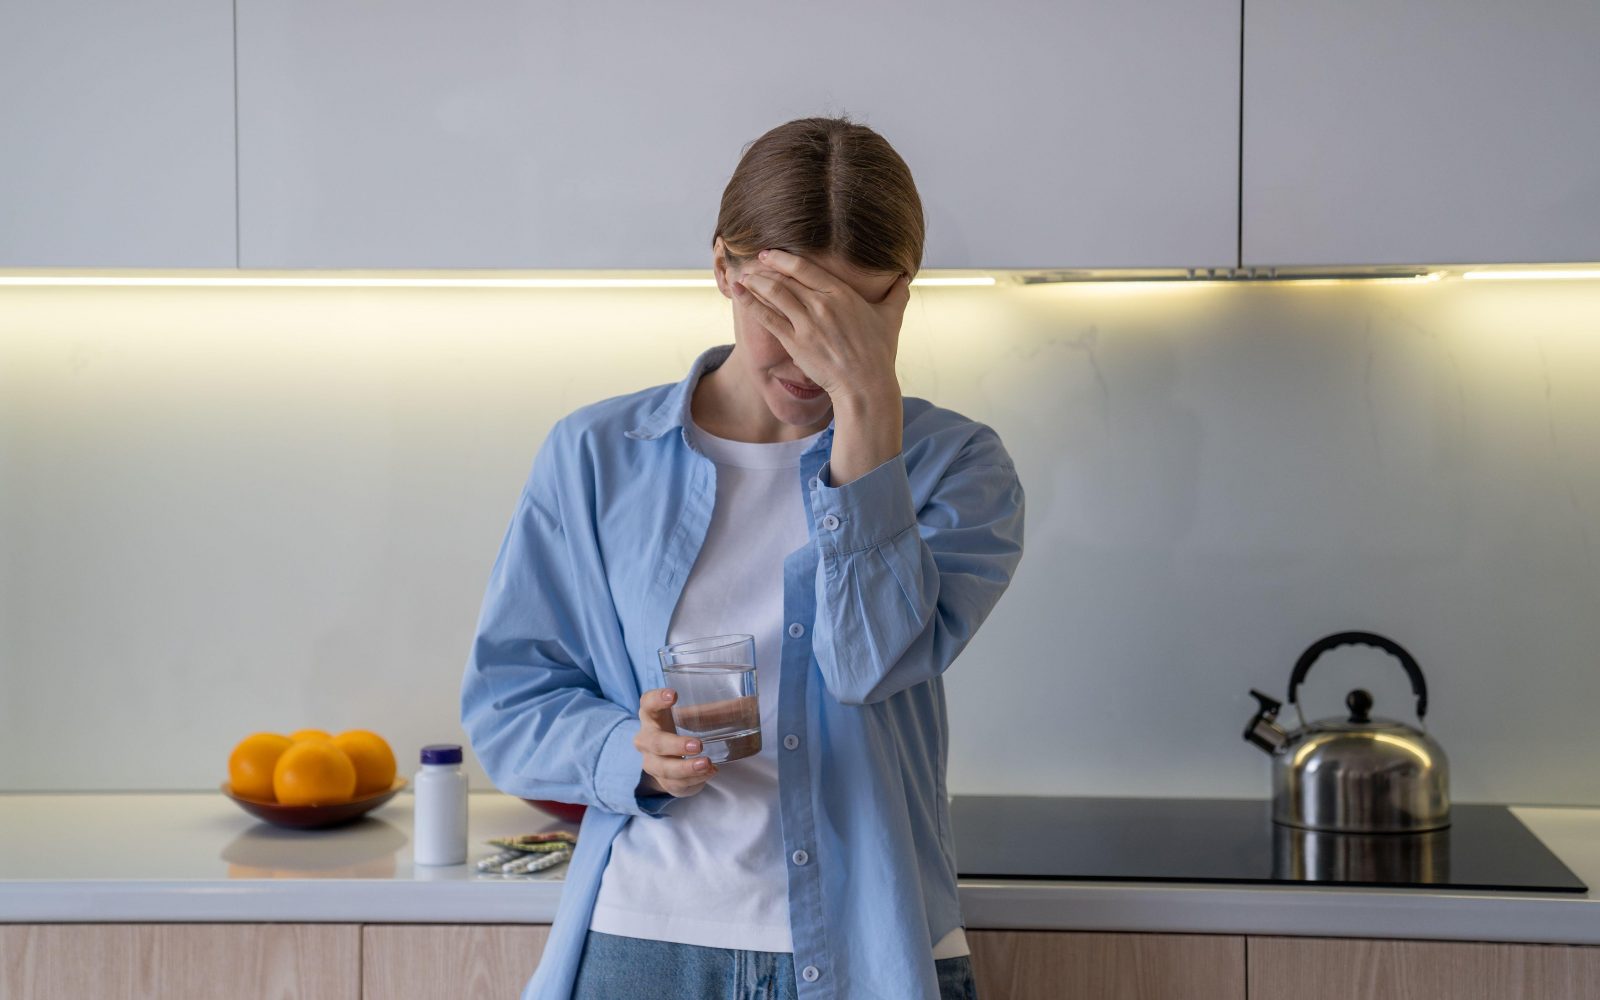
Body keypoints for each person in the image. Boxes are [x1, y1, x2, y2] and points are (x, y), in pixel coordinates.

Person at [461, 115, 1026, 1000]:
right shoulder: (594, 456)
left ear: (900, 299)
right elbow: (510, 704)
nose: (814, 356)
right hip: (646, 944)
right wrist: (628, 752)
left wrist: (869, 409)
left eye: (851, 318)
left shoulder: (957, 467)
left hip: (874, 952)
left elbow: (867, 663)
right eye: (785, 308)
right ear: (723, 267)